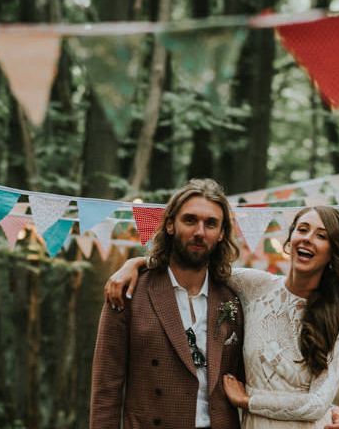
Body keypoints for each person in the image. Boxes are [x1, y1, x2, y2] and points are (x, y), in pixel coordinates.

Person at [107, 203, 339, 429]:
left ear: (332, 251)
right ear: (290, 239)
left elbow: (318, 403)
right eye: (303, 230)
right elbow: (193, 267)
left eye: (321, 236)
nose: (308, 239)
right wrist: (137, 263)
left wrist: (249, 400)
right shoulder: (255, 286)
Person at [90, 178, 245, 428]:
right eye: (190, 220)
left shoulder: (233, 299)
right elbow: (106, 389)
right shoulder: (129, 291)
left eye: (211, 224)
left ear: (221, 234)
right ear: (171, 224)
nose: (199, 232)